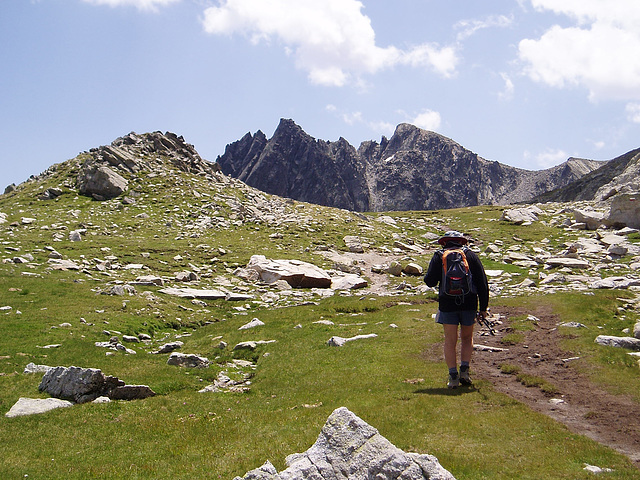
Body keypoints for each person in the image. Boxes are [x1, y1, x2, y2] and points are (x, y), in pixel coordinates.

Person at [423, 231, 489, 388]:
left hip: (447, 304)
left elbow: (430, 282)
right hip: (469, 303)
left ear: (444, 242)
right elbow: (482, 283)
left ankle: (453, 376)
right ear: (462, 242)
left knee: (450, 341)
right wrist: (483, 308)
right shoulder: (471, 255)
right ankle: (465, 371)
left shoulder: (439, 256)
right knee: (467, 338)